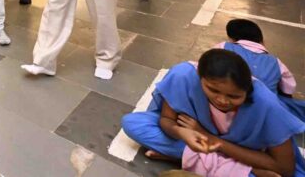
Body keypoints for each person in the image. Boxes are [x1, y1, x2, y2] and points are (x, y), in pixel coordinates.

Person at [121, 49, 305, 177]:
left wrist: (209, 137)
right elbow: (167, 120)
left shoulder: (266, 104)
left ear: (247, 90)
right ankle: (244, 171)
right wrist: (181, 132)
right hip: (225, 153)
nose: (222, 101)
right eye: (213, 90)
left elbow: (284, 168)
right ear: (200, 78)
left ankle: (183, 158)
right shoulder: (184, 76)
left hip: (245, 151)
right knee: (132, 123)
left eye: (234, 96)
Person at [216, 19, 305, 122]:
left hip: (225, 112)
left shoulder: (223, 47)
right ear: (261, 40)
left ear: (232, 38)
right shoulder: (275, 62)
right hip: (265, 116)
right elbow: (289, 89)